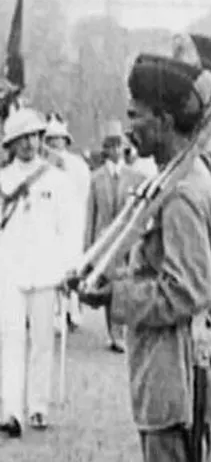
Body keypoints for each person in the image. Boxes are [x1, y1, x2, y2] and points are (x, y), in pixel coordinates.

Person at [79, 54, 211, 462]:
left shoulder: (181, 194)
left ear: (162, 120)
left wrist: (115, 297)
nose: (129, 127)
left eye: (135, 115)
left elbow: (189, 290)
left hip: (174, 374)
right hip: (166, 370)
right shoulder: (175, 178)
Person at [0, 108, 75, 437]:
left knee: (42, 341)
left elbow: (68, 228)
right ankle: (11, 409)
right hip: (10, 270)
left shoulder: (56, 179)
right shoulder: (2, 180)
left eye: (34, 136)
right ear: (11, 144)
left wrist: (68, 267)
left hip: (46, 270)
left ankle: (38, 406)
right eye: (22, 139)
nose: (29, 144)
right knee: (11, 339)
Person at [84, 120, 148, 353]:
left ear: (124, 148)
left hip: (127, 241)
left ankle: (122, 331)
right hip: (104, 242)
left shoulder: (136, 177)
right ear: (105, 149)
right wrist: (88, 249)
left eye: (118, 145)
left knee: (125, 284)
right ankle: (114, 333)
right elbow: (91, 214)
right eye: (110, 145)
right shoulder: (96, 178)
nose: (114, 150)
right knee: (108, 287)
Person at [44, 113, 91, 329]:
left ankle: (73, 310)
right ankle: (53, 313)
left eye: (59, 138)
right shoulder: (42, 166)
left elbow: (82, 191)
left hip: (71, 223)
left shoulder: (77, 165)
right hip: (49, 225)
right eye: (51, 139)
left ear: (66, 141)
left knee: (71, 266)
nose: (55, 143)